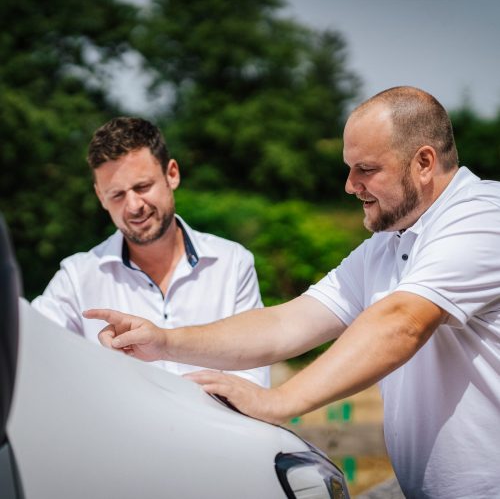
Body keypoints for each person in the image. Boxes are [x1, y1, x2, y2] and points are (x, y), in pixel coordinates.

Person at [84, 88, 500, 499]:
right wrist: (165, 342)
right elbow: (289, 322)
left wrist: (279, 401)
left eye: (365, 169)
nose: (349, 185)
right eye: (348, 168)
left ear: (424, 162)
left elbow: (402, 322)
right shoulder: (387, 245)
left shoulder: (483, 215)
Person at [32, 117, 270, 387]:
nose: (133, 206)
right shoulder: (77, 277)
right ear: (100, 196)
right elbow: (28, 347)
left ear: (172, 174)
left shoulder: (232, 263)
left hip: (216, 428)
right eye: (117, 195)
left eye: (142, 187)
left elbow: (252, 379)